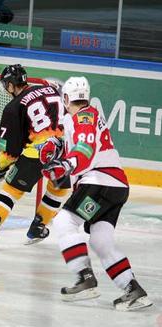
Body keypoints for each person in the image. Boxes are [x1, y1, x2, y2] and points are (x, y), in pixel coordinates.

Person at [41, 76, 152, 311]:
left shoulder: (83, 116)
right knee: (102, 241)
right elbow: (78, 142)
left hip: (100, 181)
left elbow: (85, 149)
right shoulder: (83, 116)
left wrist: (67, 165)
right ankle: (132, 290)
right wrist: (60, 151)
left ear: (67, 98)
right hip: (116, 187)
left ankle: (84, 278)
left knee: (64, 221)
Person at [0, 64, 68, 246]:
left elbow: (10, 154)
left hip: (35, 155)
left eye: (6, 85)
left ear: (11, 85)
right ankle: (38, 225)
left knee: (12, 190)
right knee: (59, 188)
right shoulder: (50, 89)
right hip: (61, 152)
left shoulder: (12, 108)